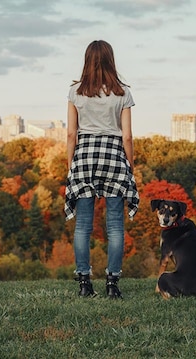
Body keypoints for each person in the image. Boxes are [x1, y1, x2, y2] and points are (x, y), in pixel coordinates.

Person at [64, 40, 139, 299]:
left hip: (84, 156)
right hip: (113, 157)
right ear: (111, 60)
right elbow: (127, 136)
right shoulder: (123, 93)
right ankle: (112, 284)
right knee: (115, 226)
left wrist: (70, 164)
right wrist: (130, 165)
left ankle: (84, 283)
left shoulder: (75, 92)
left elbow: (71, 133)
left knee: (83, 225)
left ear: (87, 60)